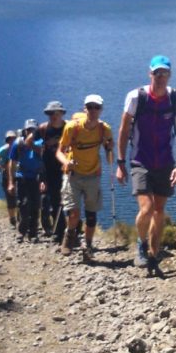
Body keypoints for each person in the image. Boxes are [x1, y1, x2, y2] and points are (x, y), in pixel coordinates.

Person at [117, 55, 176, 276]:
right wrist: (120, 162)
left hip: (165, 163)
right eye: (157, 74)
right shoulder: (136, 97)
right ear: (150, 74)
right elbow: (123, 131)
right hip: (140, 160)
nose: (160, 78)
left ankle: (153, 255)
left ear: (169, 75)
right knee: (146, 209)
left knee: (159, 211)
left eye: (164, 74)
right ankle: (141, 242)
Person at [56, 95, 114, 261]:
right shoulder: (72, 128)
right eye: (90, 107)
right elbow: (60, 151)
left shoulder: (104, 129)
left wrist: (110, 149)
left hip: (93, 175)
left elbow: (109, 153)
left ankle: (88, 245)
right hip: (73, 174)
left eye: (97, 107)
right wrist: (66, 162)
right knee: (73, 212)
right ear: (85, 108)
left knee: (91, 215)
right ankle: (69, 236)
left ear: (101, 110)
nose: (93, 111)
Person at [27, 100, 67, 242]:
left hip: (66, 168)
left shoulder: (68, 127)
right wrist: (38, 150)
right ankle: (60, 231)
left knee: (70, 200)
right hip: (49, 169)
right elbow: (28, 141)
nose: (53, 116)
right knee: (55, 200)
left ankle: (72, 229)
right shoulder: (43, 129)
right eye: (50, 113)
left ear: (61, 113)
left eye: (56, 113)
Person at [7, 120, 46, 243]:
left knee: (35, 206)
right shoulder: (18, 144)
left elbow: (44, 162)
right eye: (29, 130)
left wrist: (43, 180)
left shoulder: (40, 143)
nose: (31, 132)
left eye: (33, 130)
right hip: (22, 178)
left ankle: (33, 233)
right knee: (23, 205)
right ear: (24, 130)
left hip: (36, 178)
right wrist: (11, 182)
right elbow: (12, 163)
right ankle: (22, 231)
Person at [0, 129, 18, 227]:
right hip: (6, 176)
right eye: (10, 139)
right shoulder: (3, 150)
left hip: (18, 175)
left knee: (20, 197)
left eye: (14, 138)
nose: (12, 141)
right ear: (7, 140)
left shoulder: (19, 149)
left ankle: (20, 217)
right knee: (10, 198)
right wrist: (2, 167)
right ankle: (12, 218)